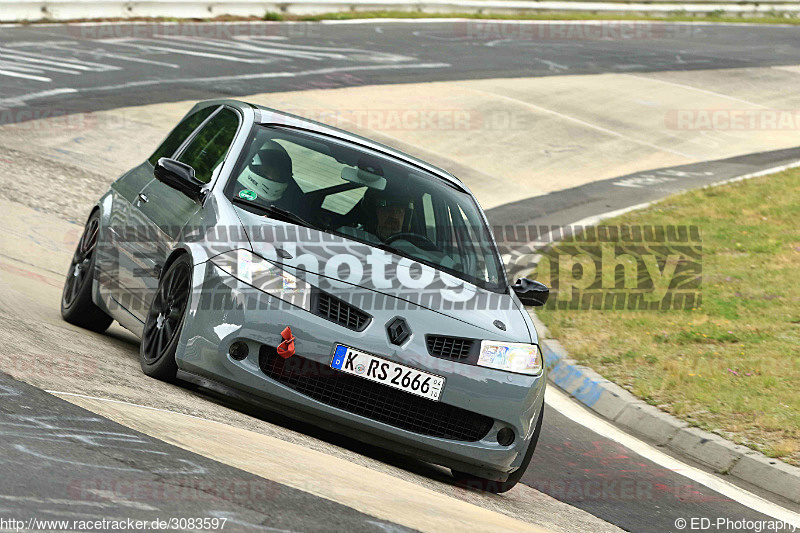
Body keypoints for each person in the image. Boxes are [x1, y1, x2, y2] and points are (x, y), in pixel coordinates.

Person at [235, 140, 302, 204]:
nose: (271, 176)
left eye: (276, 174)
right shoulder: (230, 188)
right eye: (266, 171)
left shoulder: (285, 204)